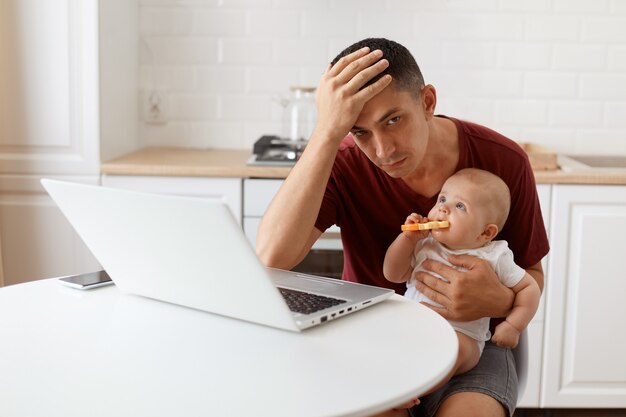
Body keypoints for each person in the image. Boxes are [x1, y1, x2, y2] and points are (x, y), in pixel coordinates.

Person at [257, 38, 549, 417]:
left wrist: (500, 302)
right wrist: (327, 133)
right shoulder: (342, 162)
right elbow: (271, 257)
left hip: (473, 345)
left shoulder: (503, 161)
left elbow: (531, 274)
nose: (383, 150)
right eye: (360, 131)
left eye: (393, 120)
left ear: (427, 102)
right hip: (374, 340)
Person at [384, 168, 541, 400]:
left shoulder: (495, 256)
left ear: (485, 232)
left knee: (453, 350)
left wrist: (514, 325)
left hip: (463, 336)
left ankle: (411, 390)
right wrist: (407, 239)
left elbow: (529, 288)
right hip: (413, 327)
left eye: (460, 206)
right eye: (442, 199)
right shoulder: (425, 244)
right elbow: (393, 274)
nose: (443, 208)